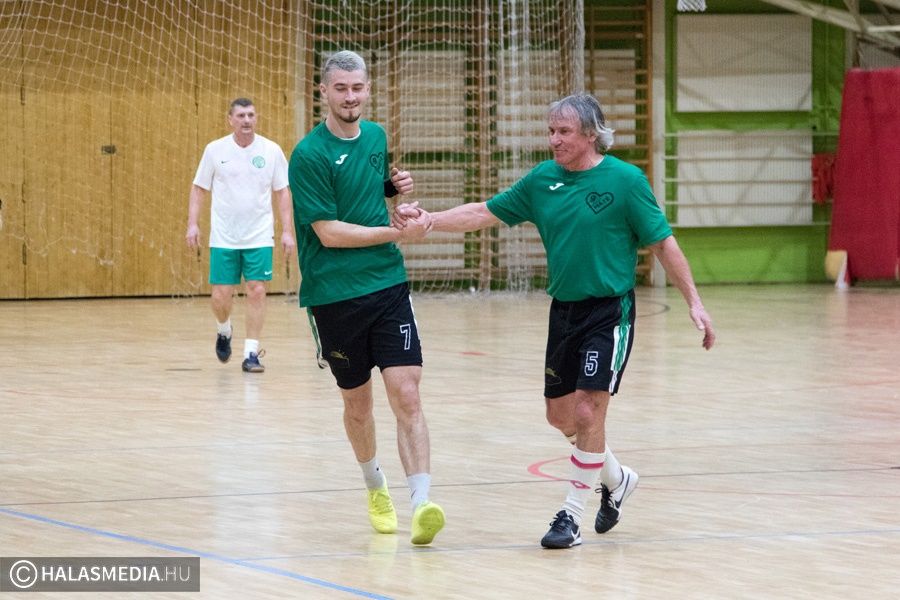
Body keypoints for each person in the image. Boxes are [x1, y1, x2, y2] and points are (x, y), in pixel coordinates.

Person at [394, 92, 715, 549]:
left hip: (610, 311)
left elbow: (663, 242)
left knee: (588, 410)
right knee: (560, 415)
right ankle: (617, 478)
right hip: (564, 311)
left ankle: (571, 516)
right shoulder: (543, 180)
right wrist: (429, 220)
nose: (554, 140)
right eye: (551, 131)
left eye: (564, 132)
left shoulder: (626, 181)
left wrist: (694, 301)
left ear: (591, 134)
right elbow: (483, 212)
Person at [287, 50, 445, 546]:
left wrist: (393, 189)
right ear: (324, 92)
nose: (350, 97)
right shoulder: (308, 155)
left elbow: (363, 192)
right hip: (334, 296)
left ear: (368, 89)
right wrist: (397, 233)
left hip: (387, 284)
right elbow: (329, 232)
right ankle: (376, 487)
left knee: (407, 393)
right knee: (358, 405)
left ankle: (422, 503)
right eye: (341, 88)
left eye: (357, 88)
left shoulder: (375, 137)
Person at [186, 97, 296, 373]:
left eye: (251, 115)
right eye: (241, 116)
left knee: (256, 290)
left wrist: (287, 231)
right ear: (230, 120)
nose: (246, 120)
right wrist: (193, 224)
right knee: (221, 296)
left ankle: (251, 353)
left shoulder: (271, 150)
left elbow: (283, 192)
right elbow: (199, 188)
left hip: (259, 235)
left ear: (256, 118)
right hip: (224, 236)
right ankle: (224, 329)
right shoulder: (215, 150)